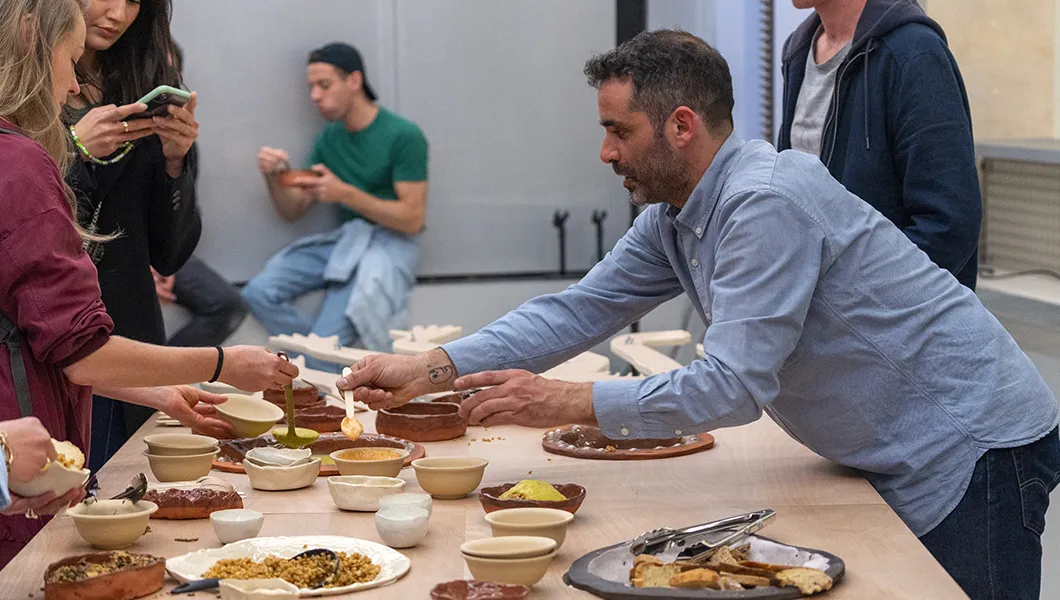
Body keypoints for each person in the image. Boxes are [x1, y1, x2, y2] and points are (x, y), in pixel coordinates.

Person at [338, 30, 1060, 600]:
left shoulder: (763, 202)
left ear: (680, 125)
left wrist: (559, 400)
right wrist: (428, 369)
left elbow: (731, 390)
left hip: (971, 446)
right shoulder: (675, 218)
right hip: (895, 446)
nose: (604, 151)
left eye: (619, 131)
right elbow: (577, 311)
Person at [0, 0, 296, 565]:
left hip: (103, 353)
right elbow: (77, 353)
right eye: (68, 60)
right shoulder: (21, 160)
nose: (70, 85)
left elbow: (168, 252)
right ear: (31, 36)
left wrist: (177, 161)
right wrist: (222, 364)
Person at [64, 0, 205, 469]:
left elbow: (171, 254)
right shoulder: (23, 87)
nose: (119, 13)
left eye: (134, 1)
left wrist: (175, 161)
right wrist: (73, 151)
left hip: (130, 329)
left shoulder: (147, 81)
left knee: (131, 504)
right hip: (53, 334)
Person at [243, 42, 428, 369]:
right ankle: (317, 357)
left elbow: (411, 220)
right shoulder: (329, 138)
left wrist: (344, 194)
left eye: (324, 85)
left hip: (387, 244)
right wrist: (274, 177)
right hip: (346, 242)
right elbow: (293, 210)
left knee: (321, 351)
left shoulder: (404, 135)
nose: (315, 95)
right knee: (258, 292)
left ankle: (318, 359)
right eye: (312, 86)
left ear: (354, 81)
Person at [777, 0, 982, 290]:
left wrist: (858, 299)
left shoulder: (914, 52)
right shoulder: (797, 52)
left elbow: (949, 225)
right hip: (821, 316)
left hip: (891, 321)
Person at [152, 42, 248, 349]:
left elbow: (186, 212)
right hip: (116, 252)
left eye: (169, 75)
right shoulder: (115, 127)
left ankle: (163, 375)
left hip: (166, 250)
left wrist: (164, 262)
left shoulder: (185, 139)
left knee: (228, 305)